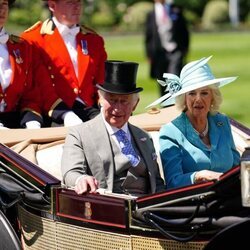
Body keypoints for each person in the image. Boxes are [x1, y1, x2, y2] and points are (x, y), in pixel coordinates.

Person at [61, 60, 165, 196]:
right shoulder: (79, 134)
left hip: (146, 209)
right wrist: (81, 179)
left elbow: (157, 183)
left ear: (135, 104)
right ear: (100, 100)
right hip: (109, 208)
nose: (117, 108)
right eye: (112, 100)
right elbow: (70, 172)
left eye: (124, 101)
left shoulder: (143, 136)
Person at [147, 56, 240, 189]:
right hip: (194, 203)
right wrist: (197, 176)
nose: (198, 100)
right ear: (183, 98)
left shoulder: (222, 122)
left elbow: (237, 167)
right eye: (191, 93)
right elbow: (173, 182)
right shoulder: (171, 132)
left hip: (228, 198)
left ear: (213, 97)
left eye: (204, 93)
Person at [21, 0, 107, 127]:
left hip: (89, 109)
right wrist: (65, 114)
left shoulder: (94, 39)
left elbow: (102, 81)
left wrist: (105, 104)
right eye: (70, 2)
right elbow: (39, 86)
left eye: (79, 2)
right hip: (54, 113)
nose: (77, 7)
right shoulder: (33, 39)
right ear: (52, 5)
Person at [0, 0, 43, 129]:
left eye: (4, 4)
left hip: (15, 122)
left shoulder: (21, 47)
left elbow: (30, 94)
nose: (1, 9)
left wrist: (32, 120)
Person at [144, 0, 190, 97]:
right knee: (162, 80)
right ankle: (165, 104)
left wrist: (185, 48)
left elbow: (184, 30)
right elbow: (148, 36)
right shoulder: (151, 14)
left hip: (175, 50)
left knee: (174, 77)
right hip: (159, 52)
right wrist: (149, 54)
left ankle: (176, 102)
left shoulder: (176, 10)